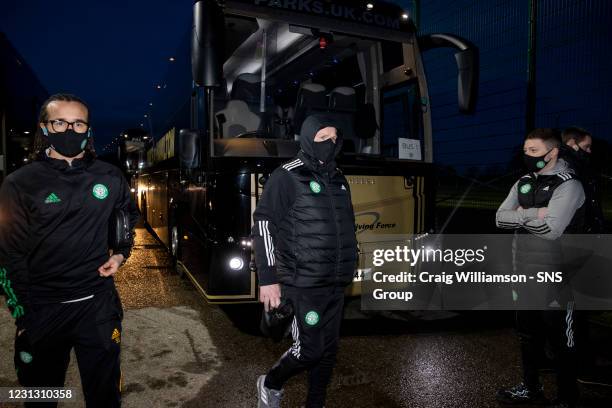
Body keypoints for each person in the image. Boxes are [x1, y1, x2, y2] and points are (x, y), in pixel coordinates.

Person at [0, 93, 138, 407]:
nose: (69, 130)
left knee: (104, 396)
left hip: (98, 307)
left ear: (88, 130)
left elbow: (128, 216)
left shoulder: (109, 175)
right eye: (60, 122)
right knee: (42, 397)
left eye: (78, 124)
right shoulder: (20, 184)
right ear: (44, 128)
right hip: (43, 310)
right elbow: (8, 257)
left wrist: (119, 253)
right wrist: (23, 316)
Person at [252, 114, 358, 408]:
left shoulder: (339, 179)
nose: (331, 143)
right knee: (309, 350)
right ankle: (270, 383)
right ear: (309, 138)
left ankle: (315, 403)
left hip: (336, 283)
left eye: (335, 138)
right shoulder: (287, 175)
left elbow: (345, 224)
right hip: (302, 283)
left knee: (329, 351)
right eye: (324, 138)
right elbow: (263, 224)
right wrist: (268, 278)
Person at [495, 128, 585, 408]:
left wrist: (519, 216)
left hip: (556, 276)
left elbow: (550, 229)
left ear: (552, 152)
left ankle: (567, 397)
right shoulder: (523, 181)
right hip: (523, 274)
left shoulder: (569, 185)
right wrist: (533, 213)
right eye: (525, 151)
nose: (527, 156)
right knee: (527, 336)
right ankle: (531, 388)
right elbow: (499, 218)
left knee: (561, 341)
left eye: (533, 151)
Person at [560, 126, 605, 233]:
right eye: (586, 146)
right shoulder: (563, 168)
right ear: (572, 143)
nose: (589, 151)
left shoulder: (581, 166)